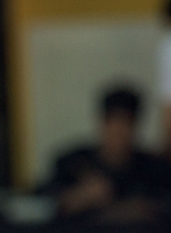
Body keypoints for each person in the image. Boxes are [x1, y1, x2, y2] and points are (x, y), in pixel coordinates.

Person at [44, 86, 171, 223]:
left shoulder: (154, 169)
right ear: (102, 123)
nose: (118, 132)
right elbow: (43, 207)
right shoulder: (72, 163)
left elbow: (158, 208)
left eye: (125, 123)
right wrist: (80, 197)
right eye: (113, 122)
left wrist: (114, 207)